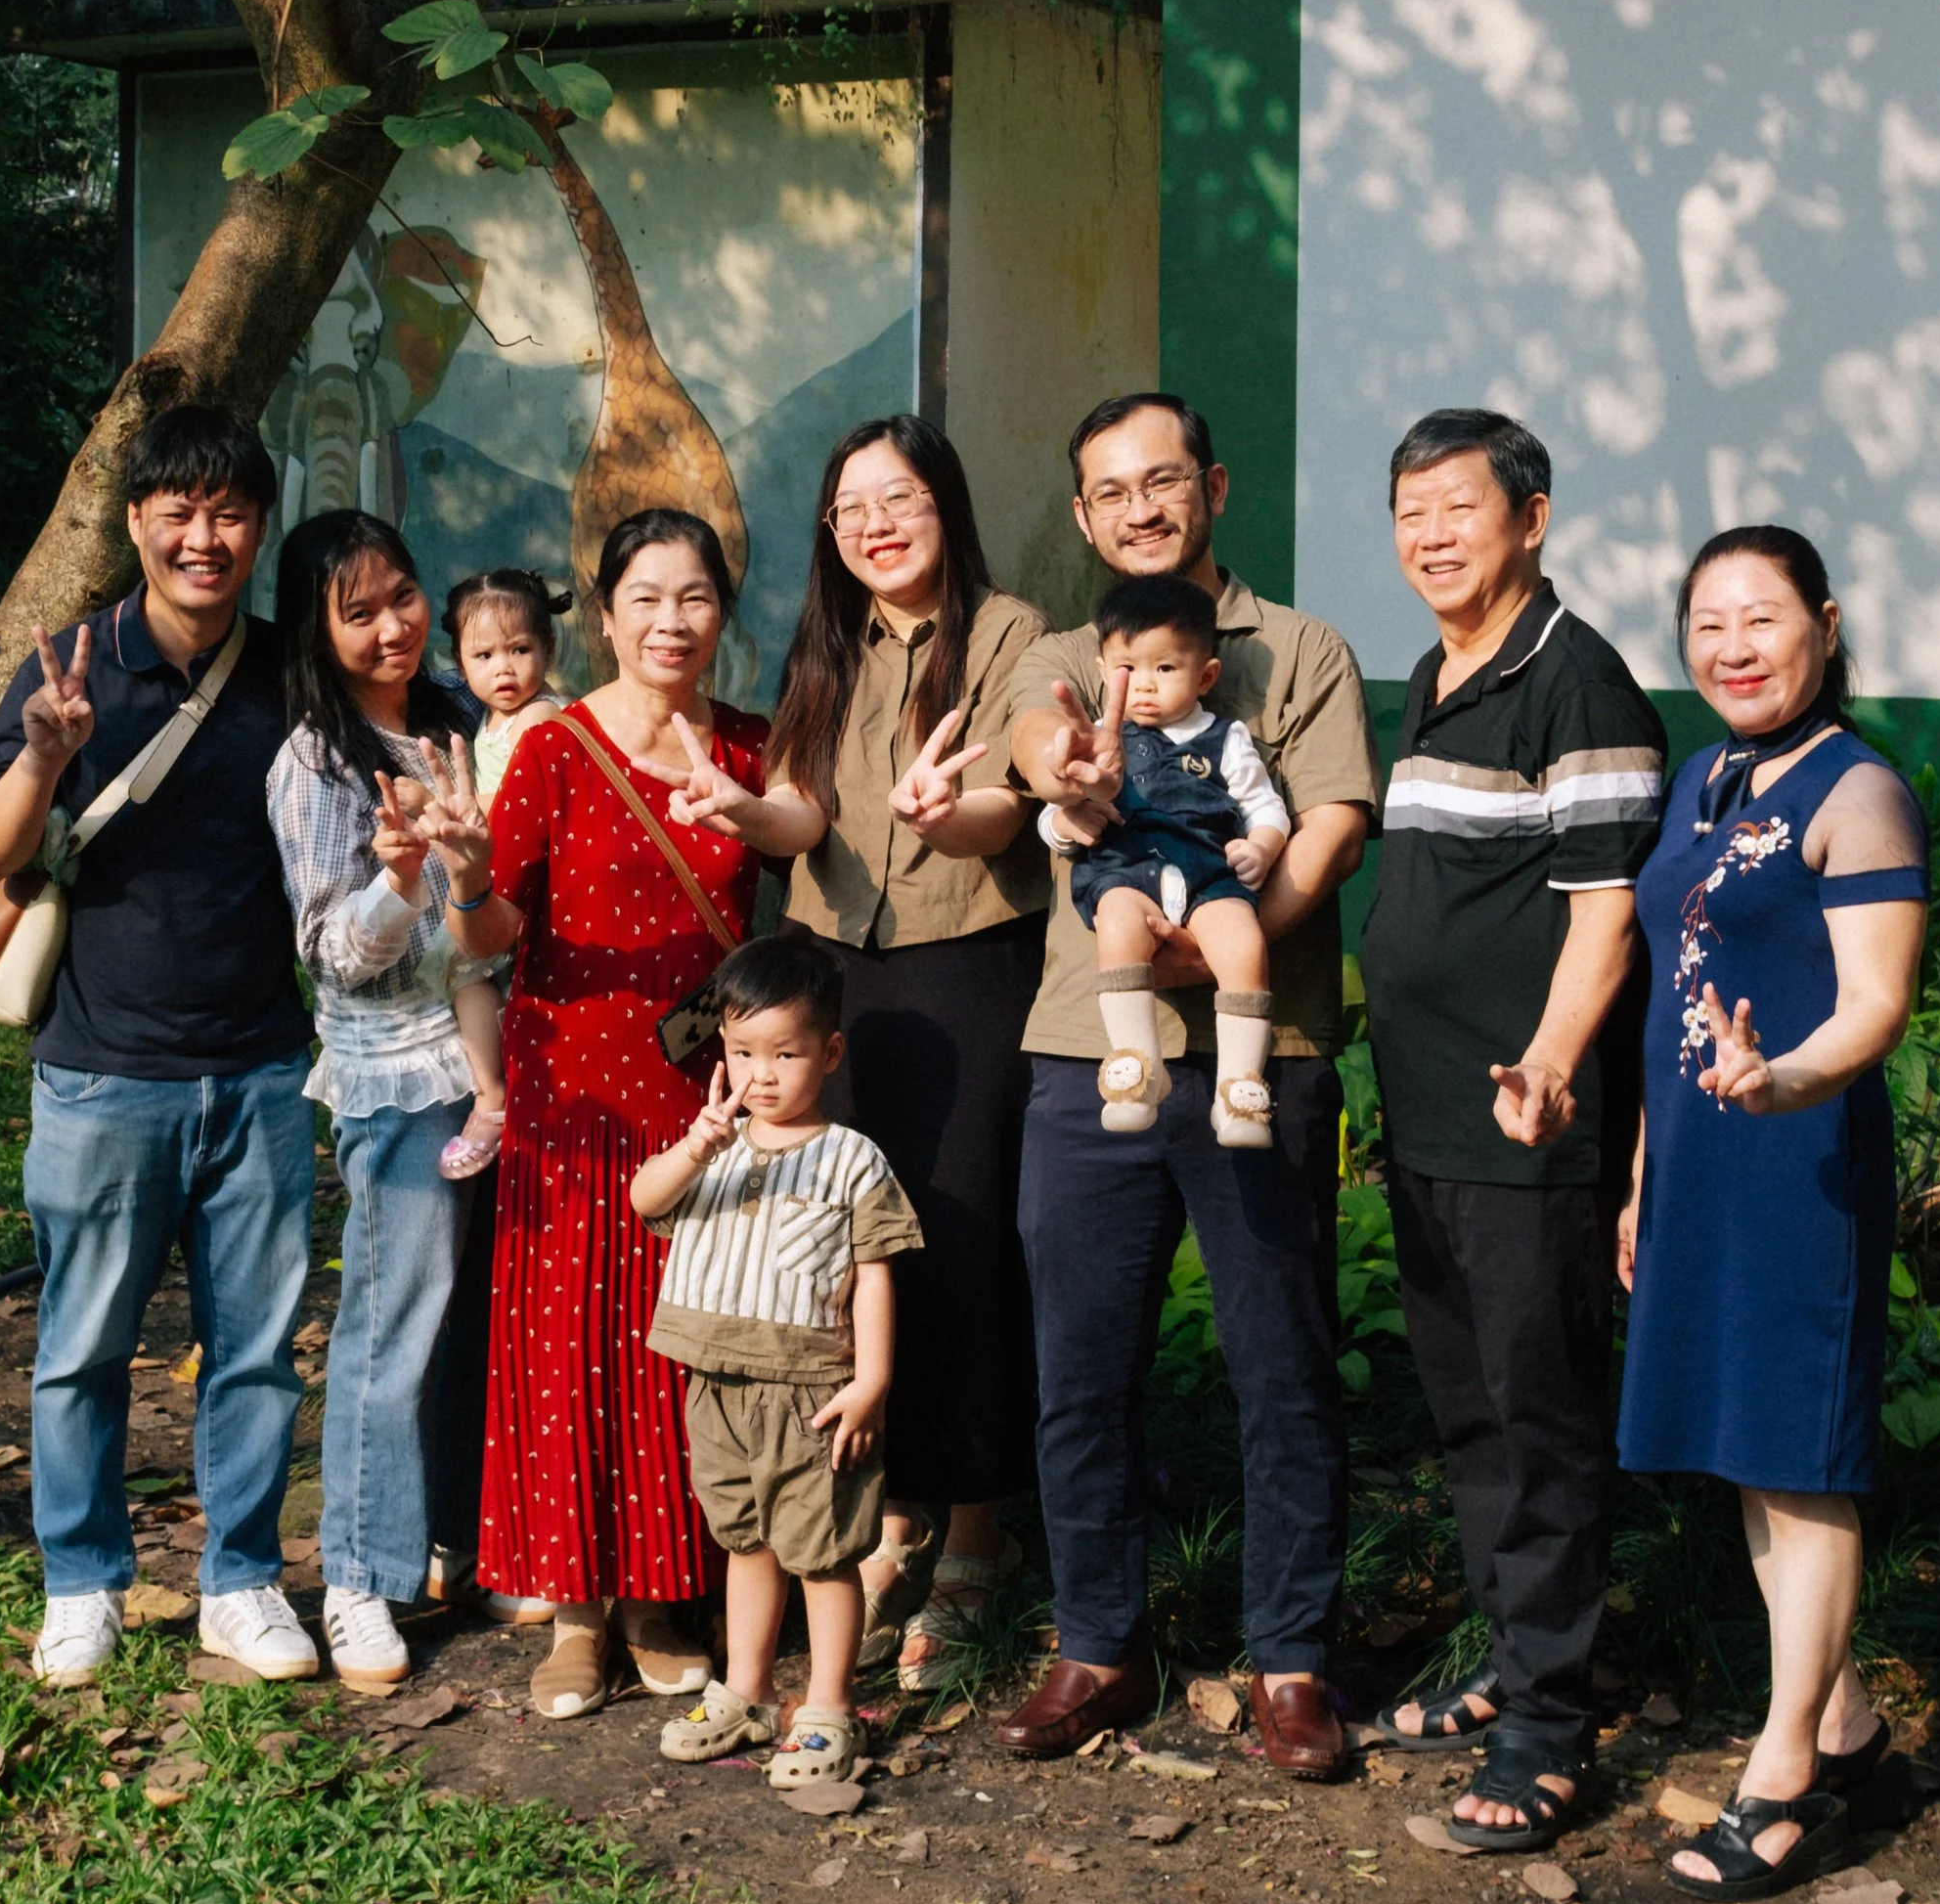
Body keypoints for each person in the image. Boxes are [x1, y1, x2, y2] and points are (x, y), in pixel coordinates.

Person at [1001, 392, 1381, 1777]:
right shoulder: (1056, 651)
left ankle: (1291, 1657)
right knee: (1079, 1367)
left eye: (1164, 478)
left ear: (1211, 486)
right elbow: (1046, 767)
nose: (1140, 505)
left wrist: (1213, 959)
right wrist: (1083, 781)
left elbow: (1329, 827)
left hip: (1253, 1047)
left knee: (1282, 1366)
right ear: (1087, 513)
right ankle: (1097, 1640)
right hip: (1083, 1052)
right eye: (1111, 490)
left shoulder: (1301, 648)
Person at [0, 398, 321, 1689]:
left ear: (257, 524)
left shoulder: (291, 670)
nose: (203, 535)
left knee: (258, 1352)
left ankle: (239, 1579)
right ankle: (82, 1579)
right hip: (103, 1068)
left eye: (228, 510)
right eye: (179, 509)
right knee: (81, 1349)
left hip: (265, 1067)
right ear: (136, 521)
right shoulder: (71, 664)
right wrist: (44, 758)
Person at [444, 507, 826, 1718]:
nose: (671, 622)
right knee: (564, 1350)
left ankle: (664, 1596)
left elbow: (805, 851)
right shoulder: (555, 748)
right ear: (601, 615)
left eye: (695, 598)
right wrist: (460, 879)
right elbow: (496, 930)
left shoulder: (754, 749)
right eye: (645, 598)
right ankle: (572, 1611)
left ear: (723, 614)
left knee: (684, 1348)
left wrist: (742, 810)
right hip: (570, 1089)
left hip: (704, 1098)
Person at [1362, 408, 1667, 1849]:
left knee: (1539, 1423)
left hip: (1526, 1128)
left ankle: (1553, 1727)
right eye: (1409, 510)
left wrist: (1547, 1061)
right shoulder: (1437, 670)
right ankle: (1520, 1657)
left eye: (1458, 508)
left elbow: (1608, 909)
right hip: (1428, 1127)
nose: (1429, 534)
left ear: (1531, 520)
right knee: (1473, 1412)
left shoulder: (1580, 681)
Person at [1620, 526, 1926, 1900]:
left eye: (1762, 616)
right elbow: (1664, 995)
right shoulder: (1704, 776)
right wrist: (1643, 1172)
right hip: (1699, 1154)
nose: (1734, 644)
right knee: (1751, 1448)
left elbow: (1874, 1003)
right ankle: (1851, 1729)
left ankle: (1787, 1770)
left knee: (1802, 1459)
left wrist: (1780, 1075)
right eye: (1708, 621)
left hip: (1800, 1160)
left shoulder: (1857, 791)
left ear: (1825, 621)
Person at [772, 414, 1046, 1678]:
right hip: (842, 974)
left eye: (902, 498)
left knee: (965, 1241)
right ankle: (892, 1514)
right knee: (857, 1254)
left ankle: (980, 1530)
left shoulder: (1008, 633)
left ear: (948, 504)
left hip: (967, 963)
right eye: (852, 508)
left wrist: (952, 814)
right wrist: (742, 808)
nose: (877, 523)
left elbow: (1010, 809)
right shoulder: (826, 646)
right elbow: (797, 808)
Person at [265, 510, 495, 1692]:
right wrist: (401, 879)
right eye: (357, 612)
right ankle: (357, 1576)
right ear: (317, 627)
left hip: (499, 1064)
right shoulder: (314, 757)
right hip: (401, 1078)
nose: (392, 626)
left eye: (402, 596)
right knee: (393, 1324)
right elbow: (334, 955)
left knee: (477, 1321)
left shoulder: (463, 719)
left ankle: (459, 1543)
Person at [632, 937, 925, 1787]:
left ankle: (828, 1704)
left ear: (829, 1054)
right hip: (714, 1379)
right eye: (742, 1053)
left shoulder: (850, 1159)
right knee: (746, 1540)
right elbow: (643, 1199)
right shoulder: (711, 1149)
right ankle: (747, 1690)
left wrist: (871, 1381)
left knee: (823, 1551)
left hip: (811, 1392)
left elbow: (873, 1277)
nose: (762, 1074)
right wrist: (697, 1145)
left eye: (785, 1054)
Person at [1052, 572, 1291, 1144]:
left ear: (1206, 675)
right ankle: (1137, 1067)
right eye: (1128, 669)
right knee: (1117, 923)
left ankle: (1239, 1087)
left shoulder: (1224, 738)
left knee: (1243, 941)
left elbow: (1267, 807)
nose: (1145, 686)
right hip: (1125, 874)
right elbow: (1053, 811)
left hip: (1209, 875)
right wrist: (1069, 819)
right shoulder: (1099, 741)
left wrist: (1262, 846)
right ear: (1104, 672)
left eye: (1166, 668)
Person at [431, 565, 571, 1183]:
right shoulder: (487, 723)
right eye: (484, 655)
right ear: (461, 667)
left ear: (549, 648)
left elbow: (514, 810)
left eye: (520, 649)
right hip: (502, 881)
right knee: (472, 975)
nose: (504, 668)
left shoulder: (540, 718)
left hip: (537, 887)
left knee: (467, 969)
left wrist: (434, 805)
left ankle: (491, 1100)